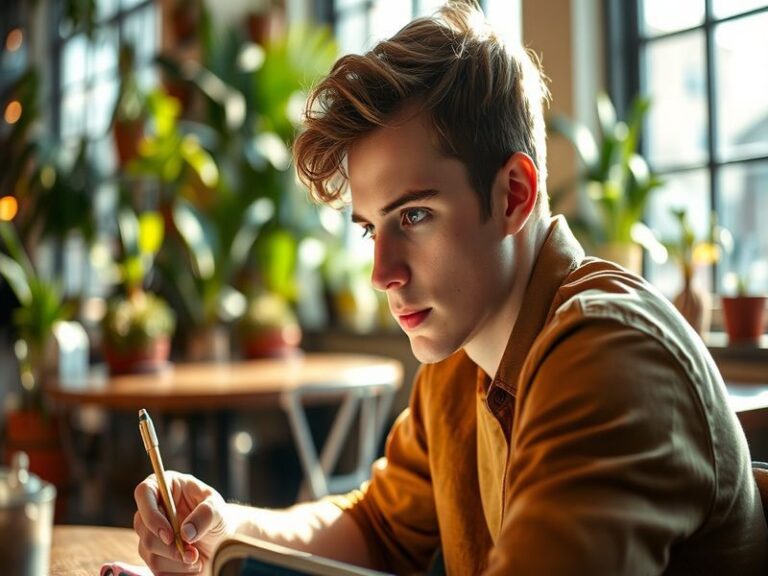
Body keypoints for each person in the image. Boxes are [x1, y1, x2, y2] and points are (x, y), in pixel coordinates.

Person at [133, 2, 768, 574]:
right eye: (370, 228)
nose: (381, 272)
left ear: (513, 195)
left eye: (414, 215)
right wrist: (225, 533)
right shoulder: (460, 360)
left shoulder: (608, 353)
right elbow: (376, 527)